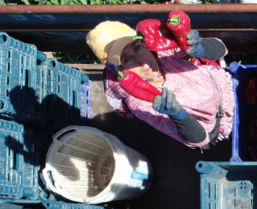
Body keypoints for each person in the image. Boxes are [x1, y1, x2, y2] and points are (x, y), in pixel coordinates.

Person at [86, 21, 235, 150]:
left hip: (229, 86)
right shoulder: (141, 102)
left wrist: (201, 48)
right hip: (222, 123)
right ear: (120, 68)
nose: (141, 61)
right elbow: (198, 140)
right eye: (127, 59)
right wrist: (178, 115)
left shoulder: (163, 50)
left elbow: (221, 49)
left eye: (137, 48)